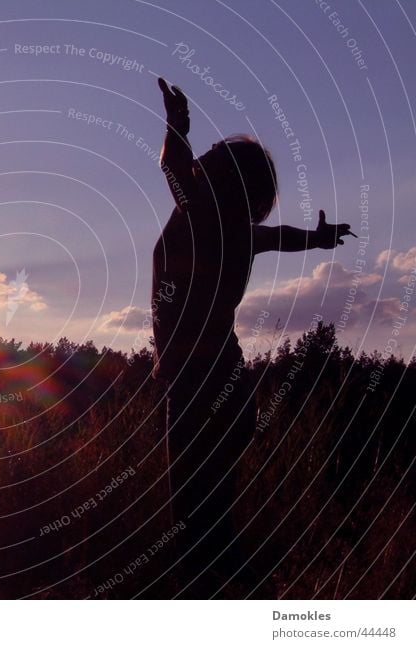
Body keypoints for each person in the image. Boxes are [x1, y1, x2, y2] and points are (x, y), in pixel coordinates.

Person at [152, 78, 355, 597]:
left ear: (224, 174)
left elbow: (174, 169)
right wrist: (320, 238)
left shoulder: (204, 215)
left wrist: (177, 127)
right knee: (209, 518)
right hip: (224, 380)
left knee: (196, 522)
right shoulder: (233, 226)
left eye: (220, 152)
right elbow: (280, 238)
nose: (213, 151)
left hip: (201, 378)